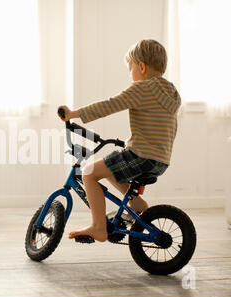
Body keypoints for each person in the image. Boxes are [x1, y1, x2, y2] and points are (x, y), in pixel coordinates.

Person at [58, 39, 181, 242]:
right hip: (161, 159)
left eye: (130, 68)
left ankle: (98, 227)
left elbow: (109, 105)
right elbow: (163, 128)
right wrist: (132, 143)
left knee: (88, 172)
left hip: (142, 155)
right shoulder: (171, 93)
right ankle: (137, 204)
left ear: (141, 66)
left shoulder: (142, 89)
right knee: (111, 169)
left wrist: (73, 114)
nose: (130, 73)